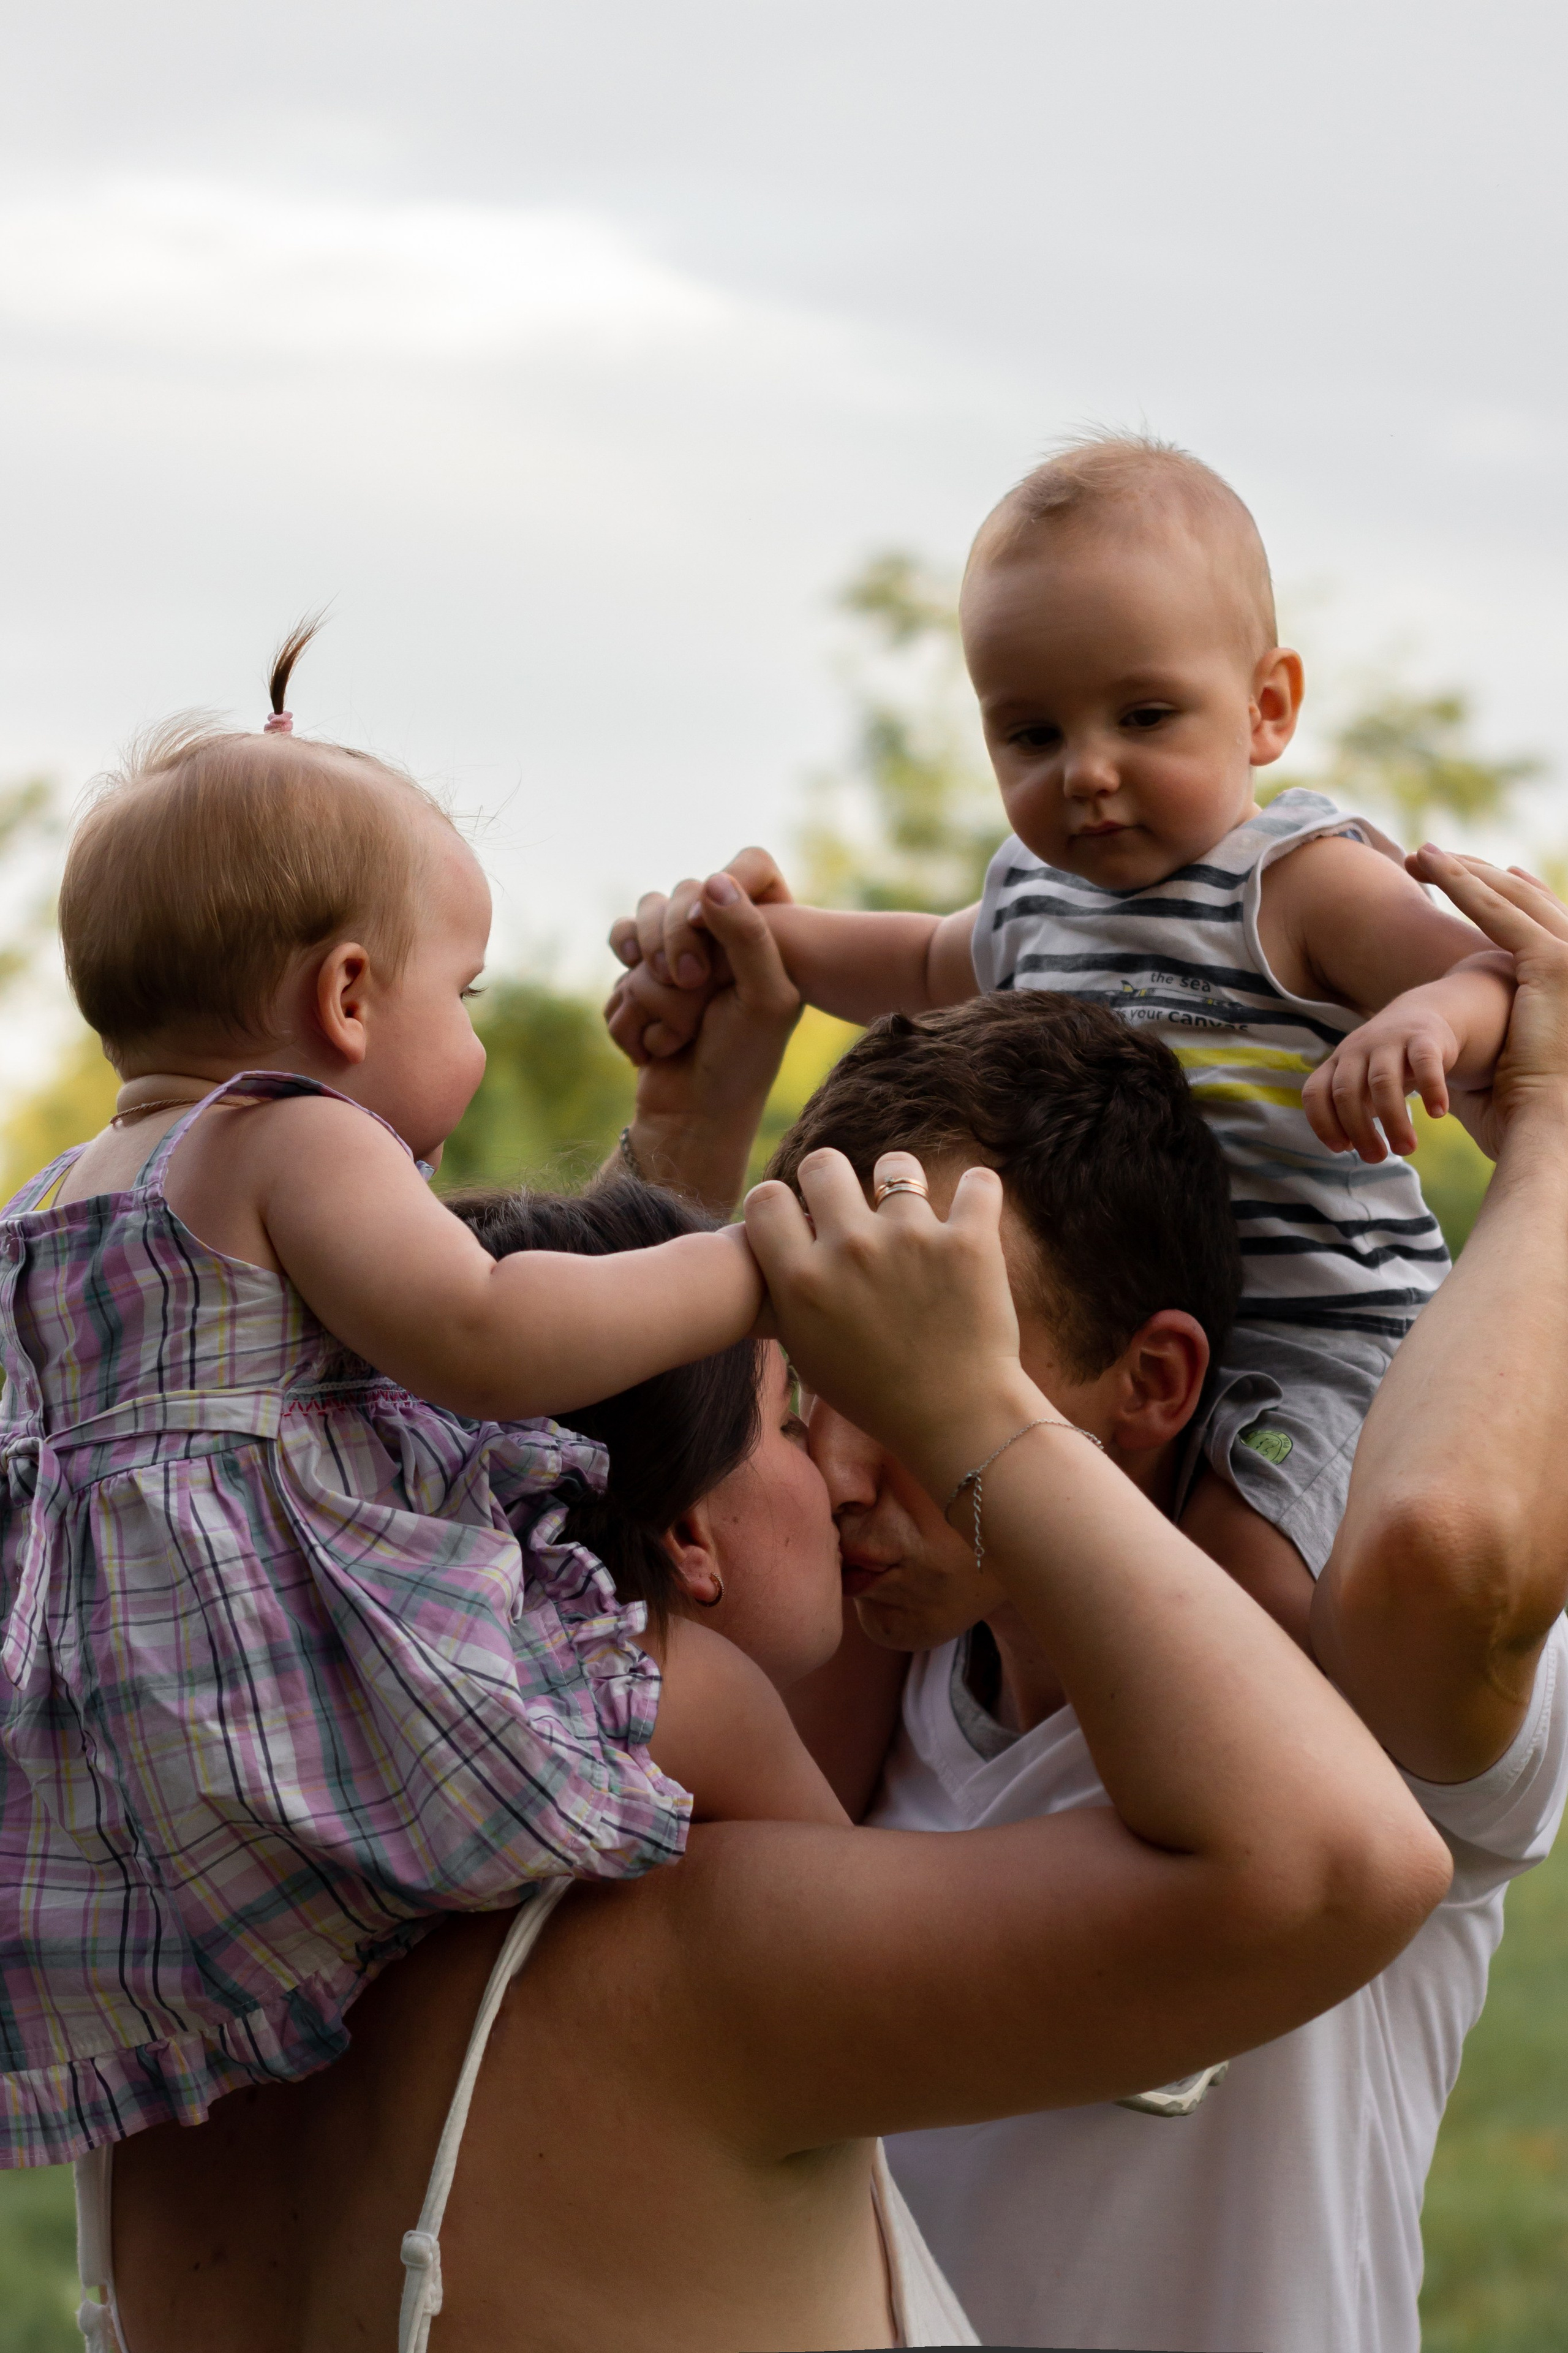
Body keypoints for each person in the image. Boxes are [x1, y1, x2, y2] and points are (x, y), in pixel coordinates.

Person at [85, 1169, 1448, 2353]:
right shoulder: (694, 1956)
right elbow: (1337, 1864)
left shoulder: (180, 1982)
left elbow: (589, 1400)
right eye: (797, 1416)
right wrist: (973, 1404)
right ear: (684, 1538)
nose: (843, 1464)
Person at [609, 850, 1568, 2353]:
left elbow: (1448, 1542)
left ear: (1156, 1382)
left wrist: (1553, 1144)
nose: (846, 1473)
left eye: (918, 1370)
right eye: (820, 1376)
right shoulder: (858, 1693)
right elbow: (590, 1522)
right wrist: (691, 1120)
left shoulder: (1330, 1686)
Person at [0, 625, 821, 2176]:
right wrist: (750, 1272)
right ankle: (867, 1935)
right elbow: (490, 1330)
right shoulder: (289, 1138)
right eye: (470, 988)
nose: (481, 1031)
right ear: (350, 996)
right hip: (295, 1691)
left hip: (131, 1756)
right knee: (700, 1706)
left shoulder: (62, 1193)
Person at [605, 433, 1519, 1641]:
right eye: (1030, 736)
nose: (1086, 772)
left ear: (1265, 707)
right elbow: (912, 962)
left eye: (1142, 715)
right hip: (1102, 1351)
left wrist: (1421, 1019)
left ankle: (1313, 1791)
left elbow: (1500, 976)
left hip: (1316, 1342)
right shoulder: (1035, 901)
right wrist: (746, 943)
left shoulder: (1296, 883)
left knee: (1241, 1573)